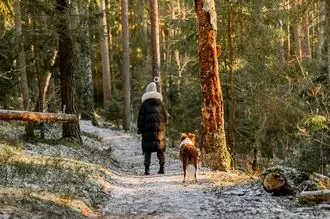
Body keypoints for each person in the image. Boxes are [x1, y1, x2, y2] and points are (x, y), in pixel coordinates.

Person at [137, 82, 167, 175]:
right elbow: (165, 117)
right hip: (160, 130)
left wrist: (140, 128)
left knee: (147, 150)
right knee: (160, 149)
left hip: (147, 130)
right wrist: (164, 127)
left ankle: (147, 170)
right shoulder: (160, 103)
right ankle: (162, 168)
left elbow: (141, 117)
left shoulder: (145, 103)